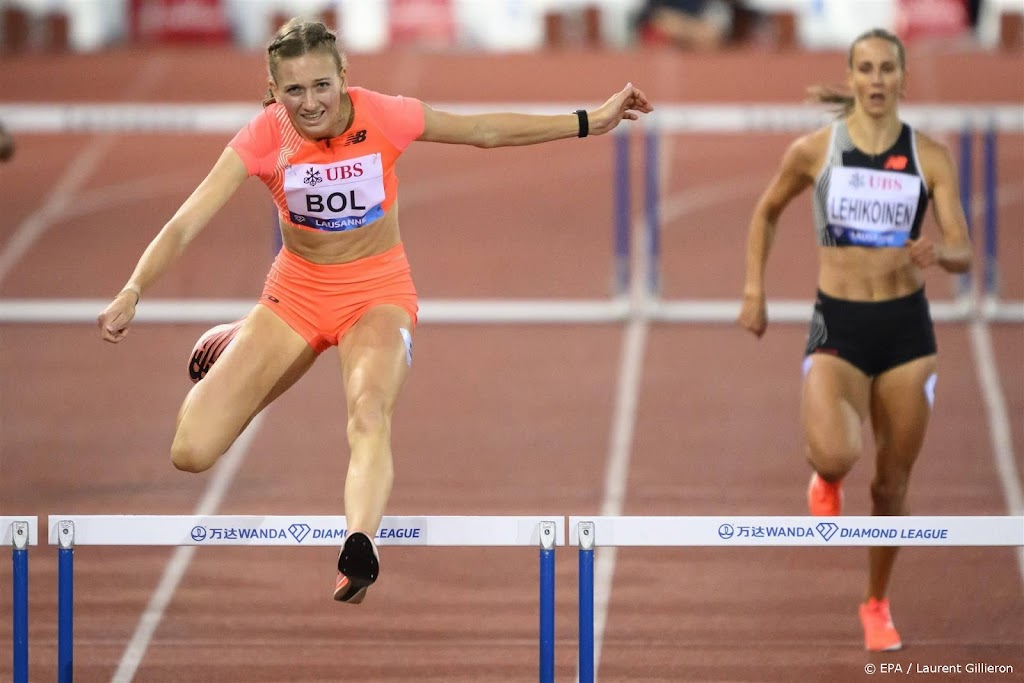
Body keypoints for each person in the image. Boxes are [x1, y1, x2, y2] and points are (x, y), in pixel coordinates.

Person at [96, 17, 652, 604]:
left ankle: (359, 544)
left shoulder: (383, 115)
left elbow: (484, 130)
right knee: (191, 451)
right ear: (272, 92)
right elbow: (187, 220)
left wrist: (590, 121)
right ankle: (245, 336)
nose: (309, 103)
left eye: (321, 86)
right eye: (293, 91)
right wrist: (134, 288)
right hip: (296, 295)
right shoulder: (264, 136)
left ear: (343, 78)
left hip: (378, 294)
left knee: (368, 411)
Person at [737, 28, 971, 651]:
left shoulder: (930, 156)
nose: (875, 80)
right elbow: (765, 211)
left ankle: (876, 602)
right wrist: (754, 291)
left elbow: (965, 249)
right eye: (864, 69)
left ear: (902, 79)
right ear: (850, 77)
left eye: (886, 69)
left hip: (905, 333)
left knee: (892, 486)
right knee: (838, 454)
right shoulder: (816, 150)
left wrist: (940, 253)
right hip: (838, 325)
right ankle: (825, 475)